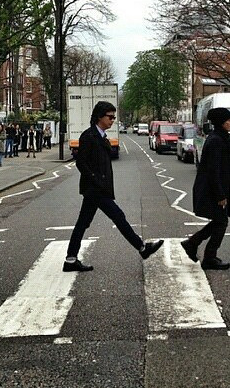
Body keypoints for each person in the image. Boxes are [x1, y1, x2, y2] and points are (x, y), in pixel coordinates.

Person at [64, 101, 164, 272]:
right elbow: (81, 163)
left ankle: (71, 260)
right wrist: (96, 180)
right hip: (96, 189)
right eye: (110, 117)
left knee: (83, 223)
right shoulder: (88, 136)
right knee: (118, 216)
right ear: (99, 117)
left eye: (114, 117)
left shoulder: (101, 136)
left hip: (96, 188)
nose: (112, 120)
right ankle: (142, 248)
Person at [181, 107, 230, 270]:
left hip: (212, 188)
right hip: (211, 189)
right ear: (222, 122)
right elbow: (213, 170)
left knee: (219, 221)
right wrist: (220, 194)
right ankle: (208, 256)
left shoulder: (219, 138)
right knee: (221, 221)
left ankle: (193, 244)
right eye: (229, 120)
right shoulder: (216, 140)